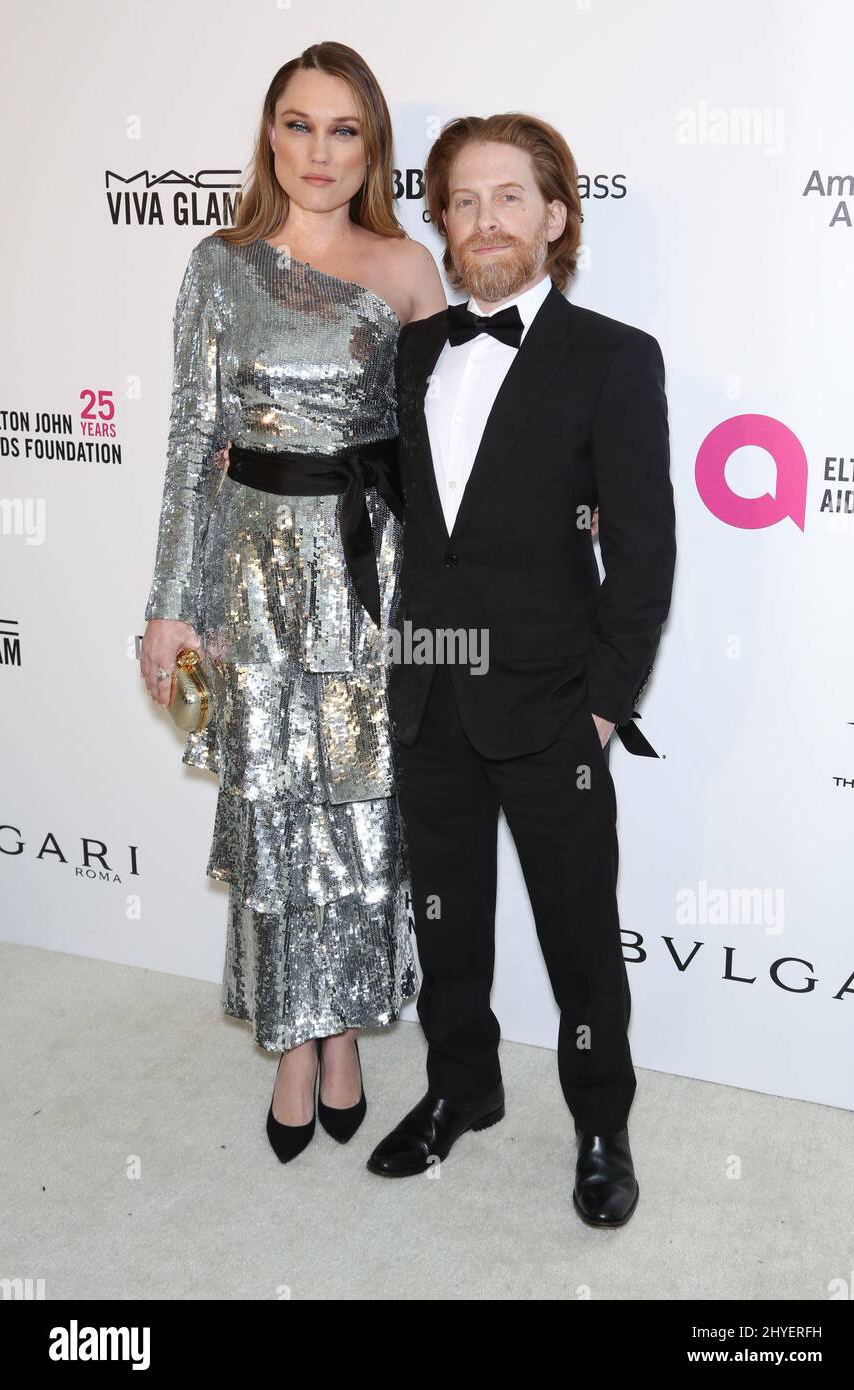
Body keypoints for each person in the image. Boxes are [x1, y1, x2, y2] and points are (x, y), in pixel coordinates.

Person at [367, 113, 676, 1227]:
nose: (484, 219)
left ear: (554, 217)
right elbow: (405, 524)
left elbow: (643, 551)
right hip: (429, 688)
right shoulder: (409, 353)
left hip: (553, 709)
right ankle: (463, 1086)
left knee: (579, 933)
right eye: (462, 200)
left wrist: (601, 707)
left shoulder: (613, 357)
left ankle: (601, 1121)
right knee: (446, 918)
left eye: (509, 197)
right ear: (441, 223)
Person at [139, 42, 445, 1164]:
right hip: (253, 577)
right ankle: (293, 1039)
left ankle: (348, 1030)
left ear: (372, 147)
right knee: (275, 810)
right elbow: (191, 444)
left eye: (344, 129)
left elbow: (434, 451)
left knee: (361, 814)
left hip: (373, 573)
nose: (319, 152)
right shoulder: (219, 265)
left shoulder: (408, 267)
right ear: (271, 134)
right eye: (299, 125)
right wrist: (173, 604)